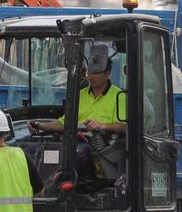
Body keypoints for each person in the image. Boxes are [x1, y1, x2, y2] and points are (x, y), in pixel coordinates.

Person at [31, 46, 126, 178]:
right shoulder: (79, 95)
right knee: (42, 150)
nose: (90, 76)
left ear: (107, 73)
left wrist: (102, 126)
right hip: (76, 140)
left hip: (102, 146)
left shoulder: (119, 95)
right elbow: (64, 123)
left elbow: (123, 126)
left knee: (74, 154)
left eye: (96, 73)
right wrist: (40, 125)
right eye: (90, 72)